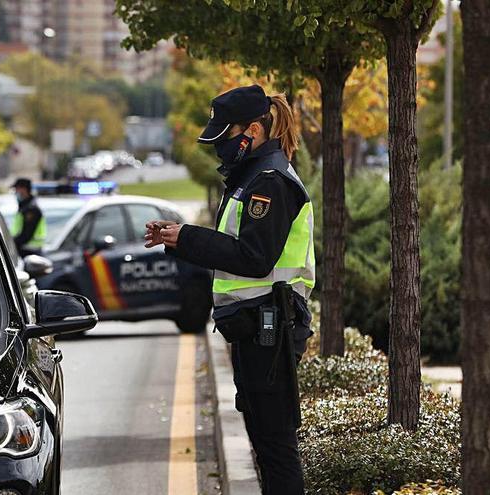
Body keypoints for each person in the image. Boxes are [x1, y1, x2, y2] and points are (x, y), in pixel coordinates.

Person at [144, 85, 314, 495]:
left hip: (270, 328)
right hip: (256, 329)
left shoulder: (269, 182)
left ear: (253, 130)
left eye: (225, 136)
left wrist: (187, 237)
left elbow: (254, 257)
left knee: (275, 447)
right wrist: (179, 238)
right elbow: (234, 252)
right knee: (265, 442)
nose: (220, 147)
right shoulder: (251, 177)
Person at [10, 178, 47, 256]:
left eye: (17, 189)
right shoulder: (25, 207)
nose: (15, 192)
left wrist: (9, 242)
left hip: (30, 252)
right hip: (24, 251)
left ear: (24, 189)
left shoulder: (31, 209)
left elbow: (26, 236)